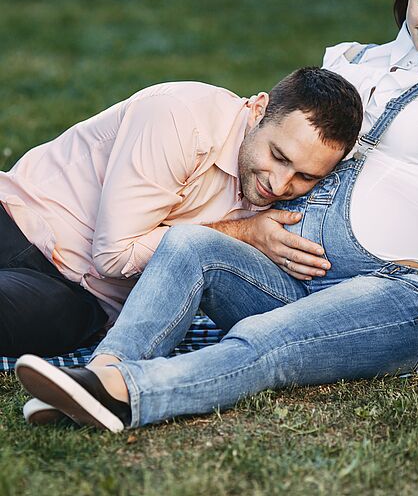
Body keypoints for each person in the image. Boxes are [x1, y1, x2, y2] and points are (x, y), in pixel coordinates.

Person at [16, 0, 418, 431]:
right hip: (295, 278)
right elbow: (291, 152)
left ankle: (128, 395)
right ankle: (96, 376)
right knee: (189, 244)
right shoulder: (353, 64)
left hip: (394, 287)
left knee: (263, 341)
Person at [1, 67, 363, 356]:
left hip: (83, 300)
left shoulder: (298, 195)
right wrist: (243, 232)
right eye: (279, 157)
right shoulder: (179, 118)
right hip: (18, 221)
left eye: (304, 176)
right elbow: (114, 255)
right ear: (258, 111)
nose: (281, 185)